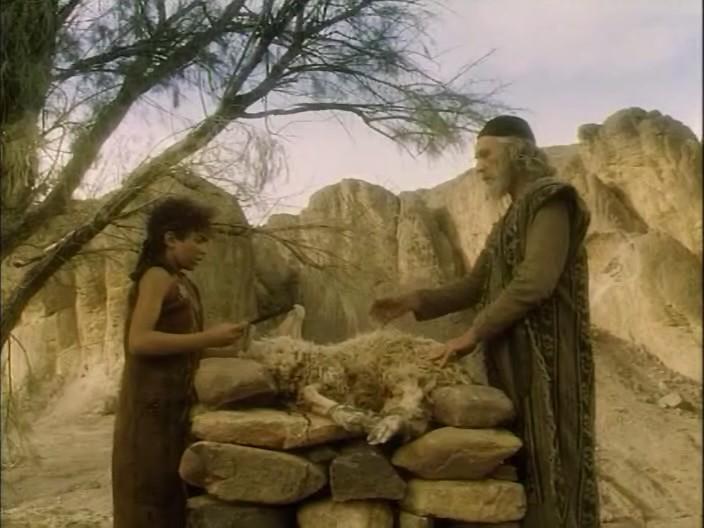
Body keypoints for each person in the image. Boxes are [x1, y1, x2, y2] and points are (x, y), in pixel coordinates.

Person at [370, 116, 599, 527]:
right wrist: (413, 300)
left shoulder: (551, 199)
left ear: (519, 153)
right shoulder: (507, 222)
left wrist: (472, 335)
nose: (478, 166)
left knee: (557, 463)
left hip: (553, 362)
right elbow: (474, 286)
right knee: (522, 464)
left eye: (486, 155)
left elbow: (535, 282)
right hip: (511, 361)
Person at [112, 196, 247, 528]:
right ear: (171, 238)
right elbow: (139, 341)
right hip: (149, 411)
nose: (203, 250)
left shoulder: (184, 284)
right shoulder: (156, 276)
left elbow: (185, 348)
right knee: (148, 499)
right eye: (198, 240)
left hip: (174, 409)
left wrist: (229, 348)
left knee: (174, 498)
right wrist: (208, 338)